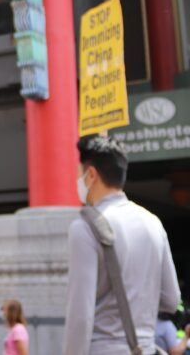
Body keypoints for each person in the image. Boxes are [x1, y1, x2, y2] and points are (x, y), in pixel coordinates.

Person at [64, 135, 180, 355]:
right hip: (144, 348)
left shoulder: (85, 227)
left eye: (79, 173)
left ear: (91, 175)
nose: (78, 180)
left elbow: (80, 314)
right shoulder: (153, 223)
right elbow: (171, 300)